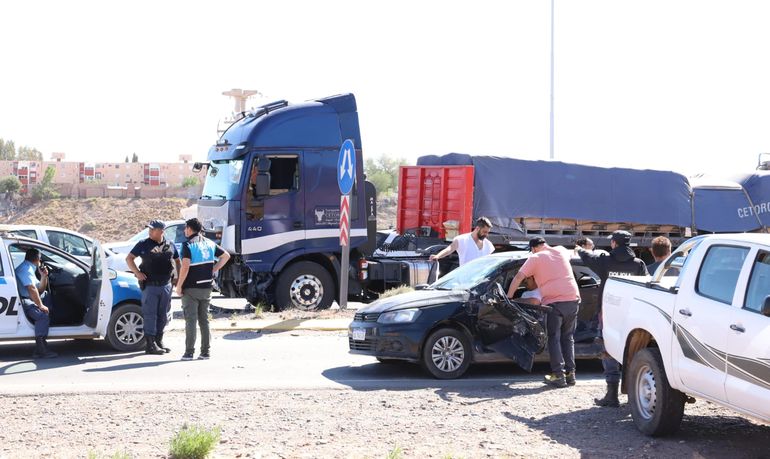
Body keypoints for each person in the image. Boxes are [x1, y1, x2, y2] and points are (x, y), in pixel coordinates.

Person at [575, 230, 649, 407]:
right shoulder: (638, 264)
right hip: (632, 314)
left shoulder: (605, 262)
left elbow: (587, 257)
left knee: (608, 351)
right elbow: (646, 286)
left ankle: (612, 394)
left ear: (614, 243)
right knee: (634, 351)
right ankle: (634, 395)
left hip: (608, 313)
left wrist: (579, 249)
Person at [507, 237, 581, 388]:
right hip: (573, 299)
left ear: (533, 248)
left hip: (555, 303)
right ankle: (571, 374)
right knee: (568, 337)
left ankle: (558, 375)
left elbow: (519, 277)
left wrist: (508, 297)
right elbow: (574, 252)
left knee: (554, 337)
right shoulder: (560, 250)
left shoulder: (535, 258)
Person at [175, 218, 230, 360]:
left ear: (189, 229)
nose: (184, 230)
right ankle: (205, 352)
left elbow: (185, 266)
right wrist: (214, 269)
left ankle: (189, 352)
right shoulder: (210, 243)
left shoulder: (187, 245)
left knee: (191, 320)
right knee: (204, 320)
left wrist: (179, 285)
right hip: (206, 287)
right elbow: (226, 256)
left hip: (191, 288)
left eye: (185, 228)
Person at [126, 220, 181, 355]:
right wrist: (137, 273)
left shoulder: (170, 244)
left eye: (153, 229)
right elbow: (129, 258)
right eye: (149, 229)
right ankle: (150, 345)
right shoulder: (143, 244)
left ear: (161, 231)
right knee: (150, 316)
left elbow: (178, 261)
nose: (150, 232)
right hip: (150, 286)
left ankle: (158, 341)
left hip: (166, 285)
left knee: (163, 315)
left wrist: (177, 277)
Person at [16, 248, 57, 358]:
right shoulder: (26, 269)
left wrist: (44, 276)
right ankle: (41, 350)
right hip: (25, 300)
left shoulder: (29, 267)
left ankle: (48, 321)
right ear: (38, 259)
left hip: (30, 297)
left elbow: (40, 289)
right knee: (42, 316)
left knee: (47, 294)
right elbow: (32, 289)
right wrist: (40, 306)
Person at [430, 217, 494, 266]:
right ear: (477, 228)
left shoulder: (488, 245)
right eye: (484, 232)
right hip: (465, 279)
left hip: (481, 280)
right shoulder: (462, 239)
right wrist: (437, 256)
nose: (486, 235)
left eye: (488, 232)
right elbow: (449, 249)